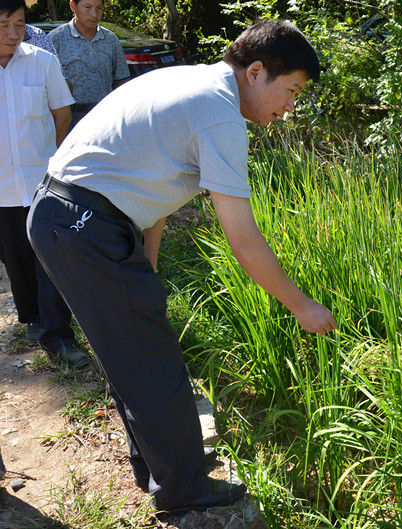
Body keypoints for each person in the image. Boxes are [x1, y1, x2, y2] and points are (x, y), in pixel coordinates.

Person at [28, 19, 336, 516]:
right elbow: (243, 237)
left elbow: (152, 179)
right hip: (84, 224)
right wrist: (302, 306)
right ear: (256, 71)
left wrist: (143, 266)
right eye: (291, 91)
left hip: (72, 217)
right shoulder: (219, 114)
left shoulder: (194, 82)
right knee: (151, 361)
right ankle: (185, 490)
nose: (288, 109)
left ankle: (159, 467)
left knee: (136, 355)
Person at [0, 0, 88, 368]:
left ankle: (59, 335)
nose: (12, 33)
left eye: (19, 24)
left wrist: (50, 160)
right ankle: (33, 318)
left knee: (49, 258)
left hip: (41, 182)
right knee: (16, 259)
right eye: (4, 24)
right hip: (2, 188)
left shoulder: (42, 61)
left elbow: (62, 113)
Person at [47, 0, 129, 128]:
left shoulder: (110, 40)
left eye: (99, 8)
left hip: (105, 114)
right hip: (70, 117)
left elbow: (122, 82)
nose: (94, 14)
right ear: (73, 6)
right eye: (87, 7)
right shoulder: (55, 39)